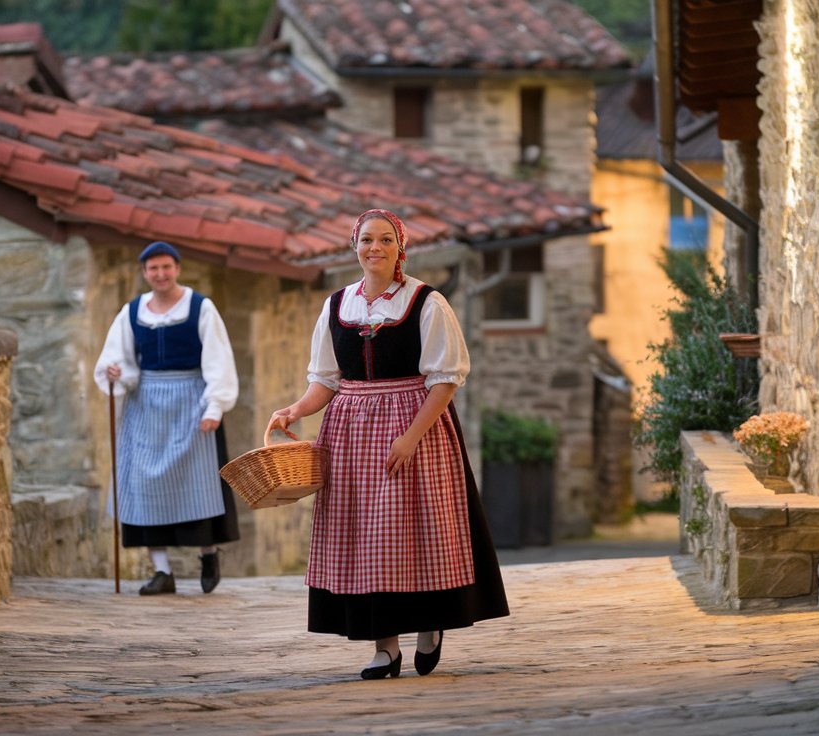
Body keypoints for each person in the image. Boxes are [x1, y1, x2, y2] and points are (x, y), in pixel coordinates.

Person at [268, 209, 509, 679]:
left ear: (400, 247)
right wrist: (296, 410)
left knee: (417, 532)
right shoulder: (337, 305)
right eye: (365, 240)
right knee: (366, 539)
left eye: (384, 240)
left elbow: (445, 380)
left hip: (414, 427)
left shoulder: (426, 302)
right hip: (351, 434)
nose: (374, 248)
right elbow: (326, 380)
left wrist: (410, 438)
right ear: (353, 246)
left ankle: (430, 624)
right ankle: (384, 648)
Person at [94, 241, 240, 595]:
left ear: (177, 269)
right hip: (145, 406)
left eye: (166, 267)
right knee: (143, 485)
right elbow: (120, 360)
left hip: (192, 402)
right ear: (144, 273)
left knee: (198, 481)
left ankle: (208, 554)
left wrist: (214, 407)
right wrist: (115, 372)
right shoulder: (131, 313)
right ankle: (161, 571)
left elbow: (218, 359)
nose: (160, 274)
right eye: (153, 269)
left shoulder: (200, 308)